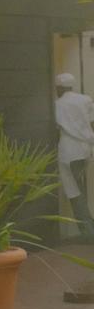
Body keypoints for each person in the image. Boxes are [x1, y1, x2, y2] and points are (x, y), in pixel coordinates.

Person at [54, 72, 94, 235]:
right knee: (82, 188)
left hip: (69, 151)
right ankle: (88, 227)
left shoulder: (58, 104)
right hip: (85, 150)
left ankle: (88, 231)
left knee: (75, 190)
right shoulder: (85, 100)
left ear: (59, 88)